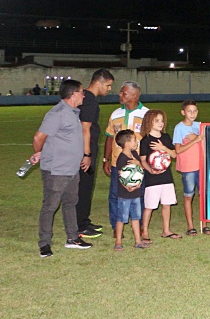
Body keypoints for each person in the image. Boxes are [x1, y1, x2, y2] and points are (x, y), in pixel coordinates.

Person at [31, 79, 92, 257]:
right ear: (73, 94)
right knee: (50, 206)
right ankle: (44, 243)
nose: (84, 95)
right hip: (56, 170)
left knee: (70, 203)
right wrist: (37, 152)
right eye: (82, 92)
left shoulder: (73, 112)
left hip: (71, 169)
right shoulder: (57, 113)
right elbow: (38, 137)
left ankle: (72, 238)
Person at [103, 81, 148, 232]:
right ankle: (116, 227)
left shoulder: (146, 114)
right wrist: (106, 159)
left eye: (124, 93)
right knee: (115, 195)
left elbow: (152, 139)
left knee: (140, 195)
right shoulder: (116, 114)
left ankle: (141, 226)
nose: (120, 95)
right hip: (118, 163)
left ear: (134, 95)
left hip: (139, 164)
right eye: (121, 92)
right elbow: (109, 137)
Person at [76, 68, 115, 239]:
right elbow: (85, 128)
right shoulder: (90, 100)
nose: (109, 89)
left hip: (83, 149)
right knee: (84, 187)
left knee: (84, 186)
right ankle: (80, 226)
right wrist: (87, 154)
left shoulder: (83, 96)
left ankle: (83, 220)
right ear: (98, 83)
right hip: (85, 150)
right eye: (108, 85)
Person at [139, 109, 180, 241]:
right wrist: (150, 170)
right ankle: (144, 231)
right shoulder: (145, 140)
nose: (161, 123)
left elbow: (174, 155)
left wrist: (163, 148)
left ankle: (166, 230)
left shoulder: (166, 138)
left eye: (162, 120)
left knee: (167, 204)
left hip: (166, 177)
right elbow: (143, 160)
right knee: (150, 205)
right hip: (153, 178)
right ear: (149, 122)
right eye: (157, 121)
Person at [173, 99, 209, 236]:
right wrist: (195, 139)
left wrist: (199, 138)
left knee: (203, 195)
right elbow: (178, 150)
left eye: (194, 111)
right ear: (183, 112)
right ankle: (190, 226)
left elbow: (207, 141)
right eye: (189, 111)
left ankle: (204, 224)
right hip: (188, 167)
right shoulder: (179, 128)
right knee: (189, 195)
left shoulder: (199, 126)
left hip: (201, 165)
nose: (192, 113)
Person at [112, 130, 147, 250]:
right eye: (133, 140)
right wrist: (128, 186)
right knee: (122, 217)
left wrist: (138, 164)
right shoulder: (122, 158)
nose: (136, 142)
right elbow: (121, 175)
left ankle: (138, 241)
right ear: (126, 143)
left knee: (136, 217)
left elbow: (141, 171)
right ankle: (118, 242)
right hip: (125, 194)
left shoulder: (135, 155)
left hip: (136, 193)